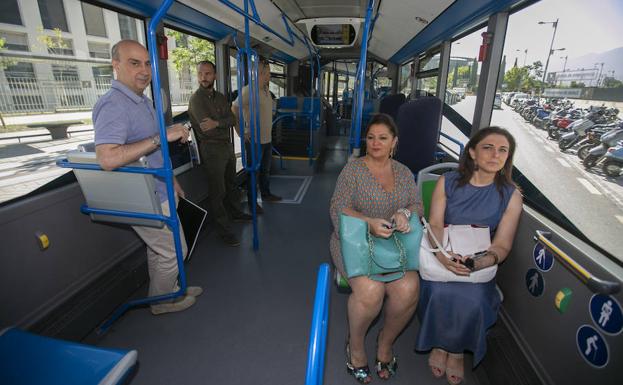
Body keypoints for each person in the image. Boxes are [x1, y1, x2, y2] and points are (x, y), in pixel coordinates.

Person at [94, 40, 202, 315]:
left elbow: (153, 150)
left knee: (159, 251)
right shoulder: (114, 105)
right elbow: (107, 158)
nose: (144, 70)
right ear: (115, 65)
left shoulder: (141, 101)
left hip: (160, 187)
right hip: (144, 196)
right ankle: (163, 302)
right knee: (175, 251)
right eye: (134, 63)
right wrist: (160, 136)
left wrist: (172, 179)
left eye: (146, 63)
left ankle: (168, 291)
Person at [416, 127, 523, 385]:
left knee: (474, 298)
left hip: (479, 257)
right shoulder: (447, 182)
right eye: (488, 147)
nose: (495, 155)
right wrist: (442, 257)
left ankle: (456, 351)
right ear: (473, 152)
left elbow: (502, 246)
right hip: (445, 248)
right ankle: (440, 345)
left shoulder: (511, 195)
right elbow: (436, 224)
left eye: (503, 150)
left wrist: (478, 263)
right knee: (439, 291)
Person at [330, 114, 423, 383]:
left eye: (382, 138)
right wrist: (368, 223)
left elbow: (417, 206)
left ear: (394, 142)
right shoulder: (353, 170)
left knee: (409, 288)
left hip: (393, 245)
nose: (375, 143)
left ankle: (385, 341)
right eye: (371, 137)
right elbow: (337, 207)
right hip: (354, 241)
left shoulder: (404, 172)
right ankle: (356, 345)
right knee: (370, 292)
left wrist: (405, 213)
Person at [188, 60, 252, 247]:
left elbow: (232, 118)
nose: (203, 77)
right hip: (211, 149)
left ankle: (236, 213)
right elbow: (206, 129)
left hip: (226, 145)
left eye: (207, 74)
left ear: (214, 75)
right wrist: (220, 122)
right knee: (218, 191)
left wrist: (216, 122)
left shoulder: (221, 97)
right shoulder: (196, 100)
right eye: (200, 74)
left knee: (231, 183)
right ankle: (224, 230)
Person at [232, 56, 281, 214]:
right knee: (254, 173)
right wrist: (241, 132)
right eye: (267, 73)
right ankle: (252, 204)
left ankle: (266, 195)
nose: (269, 76)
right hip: (254, 140)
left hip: (267, 139)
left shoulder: (266, 90)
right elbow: (234, 109)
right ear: (259, 73)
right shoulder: (248, 90)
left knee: (265, 170)